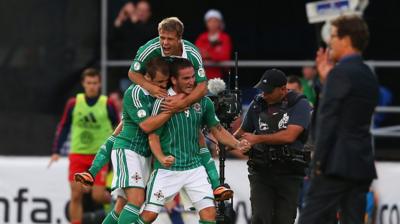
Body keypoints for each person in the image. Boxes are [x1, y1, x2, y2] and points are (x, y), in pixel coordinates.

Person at [137, 57, 251, 224]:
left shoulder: (203, 102)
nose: (191, 81)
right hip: (168, 169)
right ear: (174, 80)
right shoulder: (163, 102)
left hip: (194, 168)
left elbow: (217, 129)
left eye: (192, 77)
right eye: (186, 78)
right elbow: (153, 136)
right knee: (149, 216)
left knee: (209, 214)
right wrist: (161, 157)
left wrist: (236, 143)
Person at [298, 15, 379, 224]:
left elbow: (328, 119)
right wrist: (326, 82)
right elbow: (348, 114)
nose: (329, 41)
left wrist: (317, 164)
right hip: (360, 164)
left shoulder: (340, 74)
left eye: (333, 36)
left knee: (309, 220)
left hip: (334, 165)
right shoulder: (368, 75)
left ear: (346, 39)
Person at [234, 68, 312, 224]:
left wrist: (257, 139)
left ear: (283, 89)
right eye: (262, 90)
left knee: (284, 220)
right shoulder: (257, 105)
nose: (264, 94)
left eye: (268, 91)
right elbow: (242, 132)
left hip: (289, 172)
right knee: (260, 218)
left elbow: (290, 136)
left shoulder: (300, 104)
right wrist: (227, 142)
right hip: (261, 171)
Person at [49, 68, 120, 224]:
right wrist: (56, 151)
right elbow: (64, 126)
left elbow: (119, 125)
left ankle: (117, 202)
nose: (92, 86)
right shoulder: (73, 103)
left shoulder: (107, 103)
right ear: (83, 84)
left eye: (95, 83)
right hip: (78, 155)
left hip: (99, 156)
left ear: (99, 84)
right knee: (76, 194)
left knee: (97, 195)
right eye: (89, 83)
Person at [128, 17, 208, 112]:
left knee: (206, 103)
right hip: (154, 93)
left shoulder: (192, 53)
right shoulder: (149, 49)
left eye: (170, 39)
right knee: (133, 91)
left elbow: (202, 86)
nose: (165, 43)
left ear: (179, 38)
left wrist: (184, 102)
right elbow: (133, 73)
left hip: (182, 95)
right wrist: (151, 88)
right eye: (162, 38)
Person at [195, 9, 232, 79]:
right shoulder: (201, 37)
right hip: (202, 75)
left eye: (215, 21)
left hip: (220, 76)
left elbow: (225, 56)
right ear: (206, 23)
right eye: (210, 21)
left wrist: (209, 55)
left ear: (220, 23)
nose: (212, 24)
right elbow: (196, 54)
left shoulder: (224, 38)